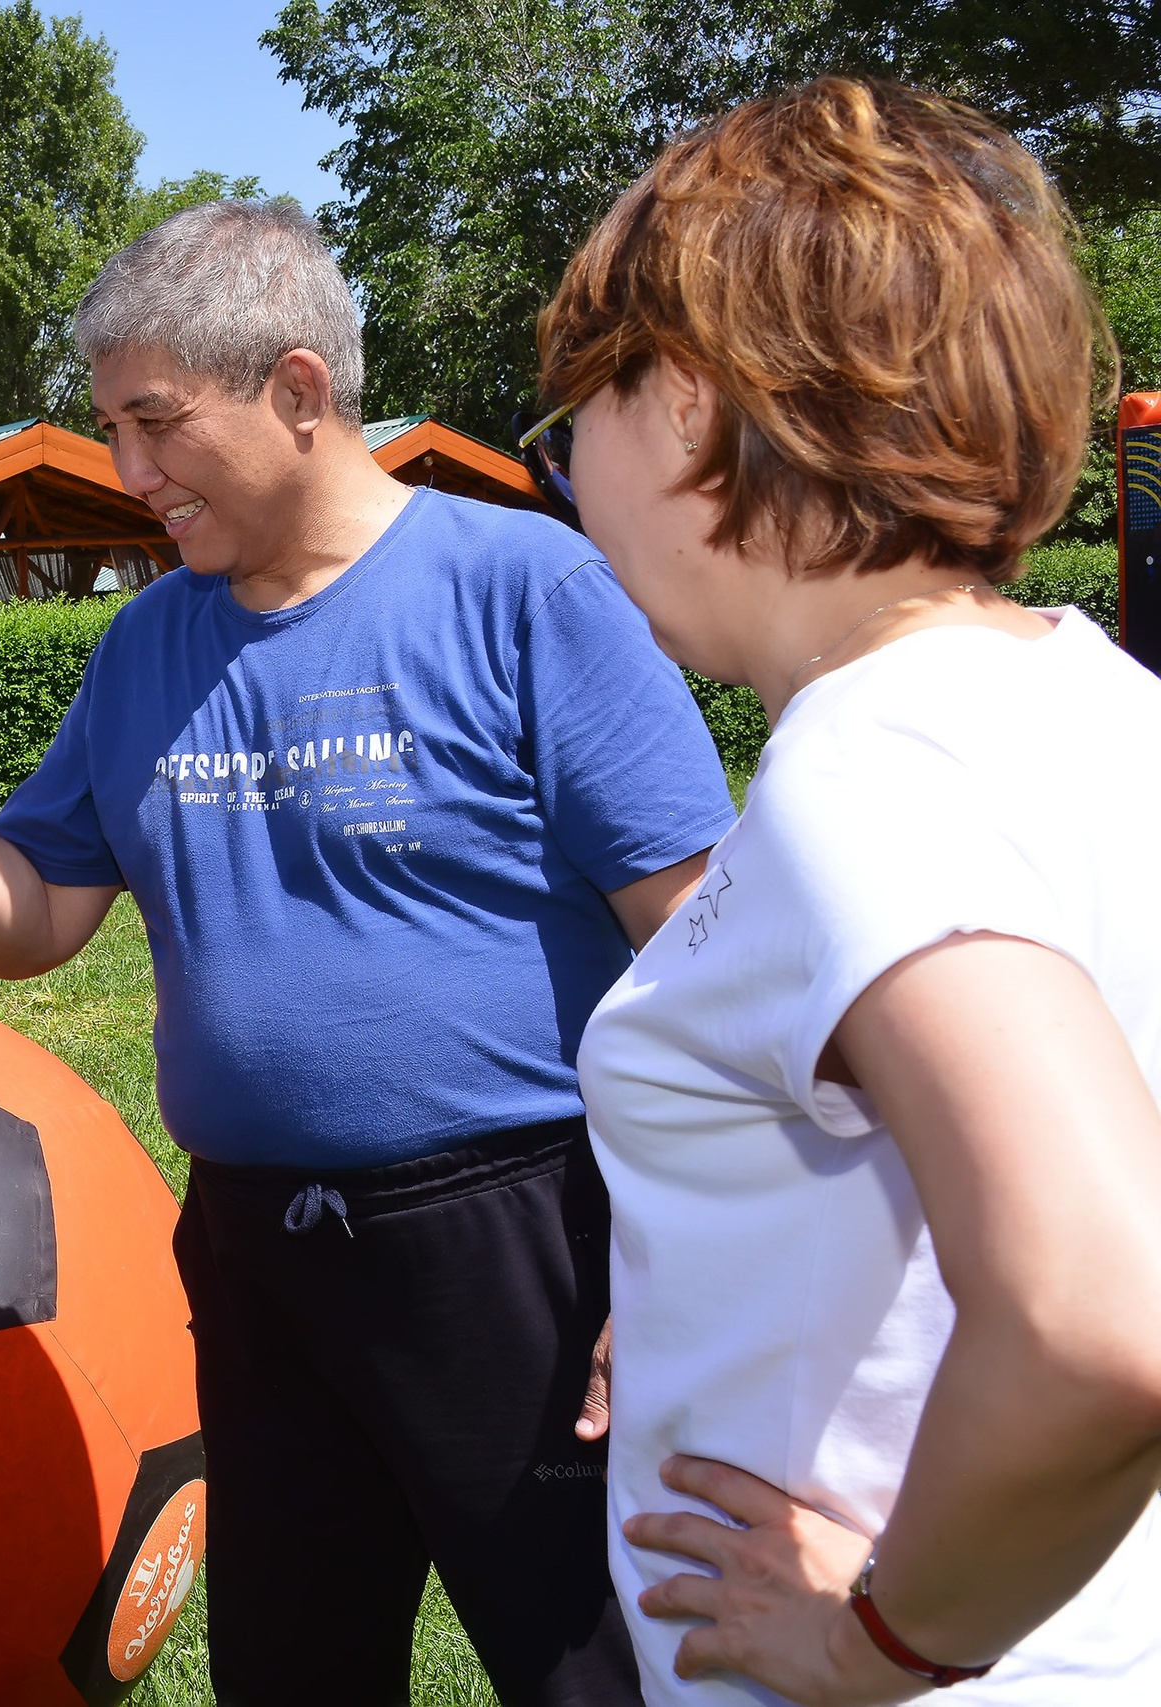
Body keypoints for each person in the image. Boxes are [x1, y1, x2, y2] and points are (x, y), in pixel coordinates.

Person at [0, 198, 736, 1705]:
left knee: (587, 1666)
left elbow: (702, 942)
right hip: (257, 1246)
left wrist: (688, 1250)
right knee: (292, 1668)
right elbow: (34, 919)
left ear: (296, 391)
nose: (129, 475)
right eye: (110, 429)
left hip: (517, 1239)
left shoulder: (523, 594)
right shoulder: (150, 646)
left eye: (156, 424)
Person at [543, 79, 1161, 1703]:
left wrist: (877, 1639)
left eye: (569, 425)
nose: (569, 485)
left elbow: (1101, 1309)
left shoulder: (870, 767)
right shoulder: (1101, 705)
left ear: (680, 403)